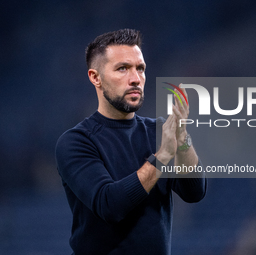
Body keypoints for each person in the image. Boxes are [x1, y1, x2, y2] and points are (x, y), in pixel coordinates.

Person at [55, 28, 207, 255]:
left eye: (140, 69)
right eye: (122, 68)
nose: (136, 79)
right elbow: (110, 205)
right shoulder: (76, 142)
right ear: (95, 77)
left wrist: (182, 138)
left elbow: (194, 193)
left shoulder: (158, 131)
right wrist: (163, 155)